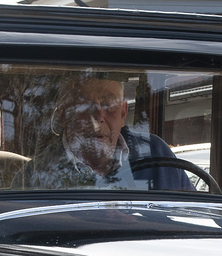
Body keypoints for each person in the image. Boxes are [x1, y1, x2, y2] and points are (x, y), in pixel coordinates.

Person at [29, 73, 191, 191]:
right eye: (84, 105)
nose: (98, 116)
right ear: (64, 115)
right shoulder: (36, 174)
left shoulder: (156, 153)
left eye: (108, 103)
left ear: (123, 113)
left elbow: (189, 216)